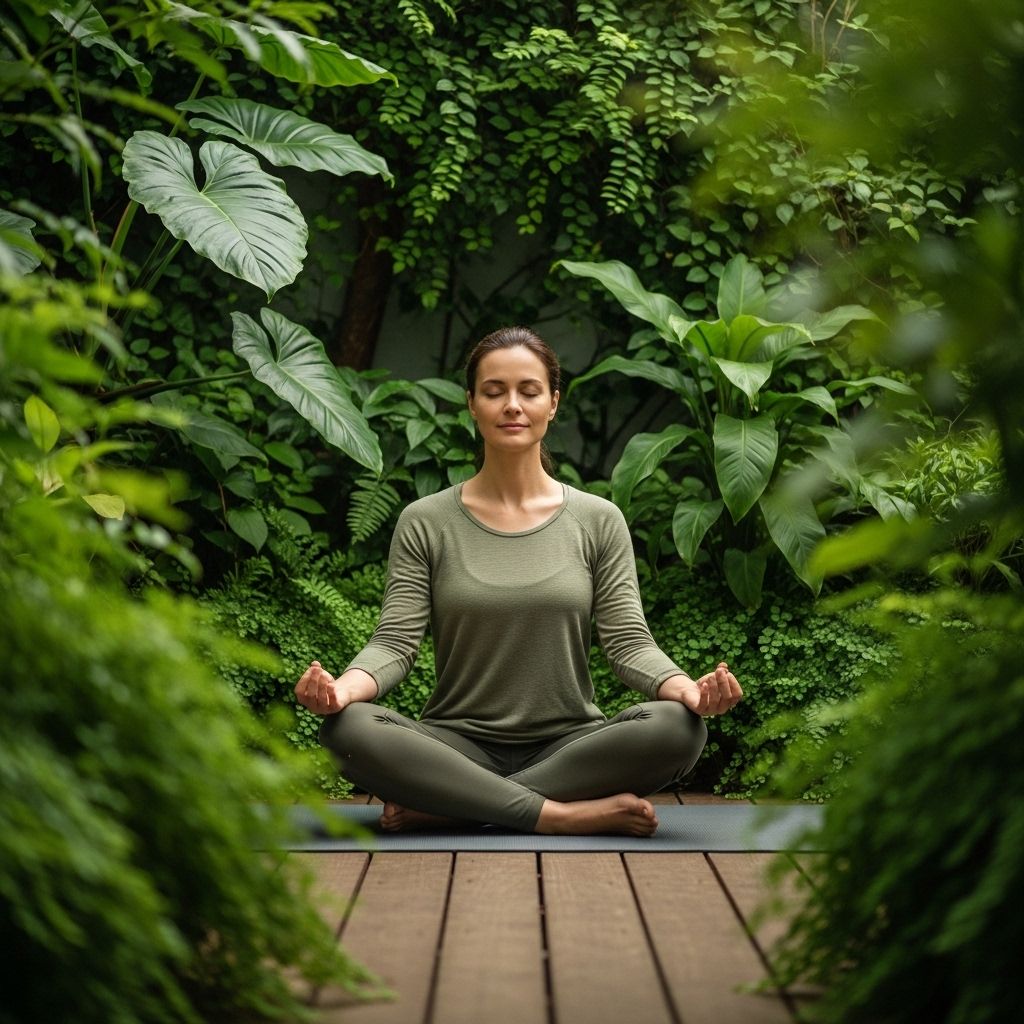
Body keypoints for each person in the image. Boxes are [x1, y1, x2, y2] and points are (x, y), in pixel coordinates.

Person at [295, 326, 742, 837]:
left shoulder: (598, 519)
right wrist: (340, 690)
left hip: (571, 746)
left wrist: (688, 691)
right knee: (349, 728)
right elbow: (395, 643)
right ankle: (560, 815)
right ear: (471, 403)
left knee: (679, 728)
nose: (512, 405)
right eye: (494, 391)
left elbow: (628, 643)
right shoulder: (426, 521)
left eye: (528, 391)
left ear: (553, 403)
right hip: (454, 745)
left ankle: (452, 805)